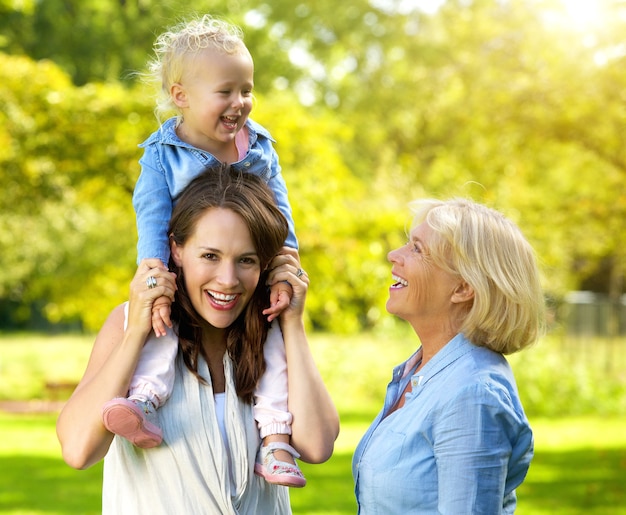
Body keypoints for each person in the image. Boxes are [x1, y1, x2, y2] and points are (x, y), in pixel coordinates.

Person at [56, 166, 339, 513]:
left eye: (246, 260)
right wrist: (135, 334)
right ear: (176, 250)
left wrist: (292, 322)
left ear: (265, 265)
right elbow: (78, 450)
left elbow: (317, 446)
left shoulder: (273, 335)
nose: (227, 279)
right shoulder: (132, 325)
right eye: (210, 256)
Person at [101, 15, 305, 486]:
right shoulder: (161, 154)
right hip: (184, 274)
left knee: (273, 342)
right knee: (158, 323)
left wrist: (286, 257)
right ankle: (145, 401)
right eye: (226, 91)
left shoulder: (259, 148)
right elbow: (151, 212)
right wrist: (154, 271)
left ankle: (275, 439)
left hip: (244, 275)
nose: (240, 103)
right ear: (181, 97)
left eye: (247, 90)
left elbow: (280, 205)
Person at [352, 197, 546, 514]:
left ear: (462, 288)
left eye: (416, 249)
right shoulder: (424, 373)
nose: (393, 255)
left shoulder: (472, 394)